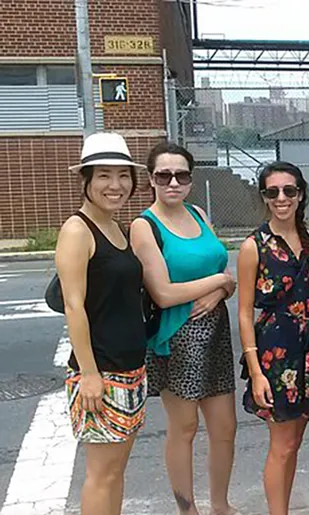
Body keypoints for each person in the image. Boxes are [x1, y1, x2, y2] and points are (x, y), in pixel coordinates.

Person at [130, 142, 238, 515]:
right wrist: (219, 283)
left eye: (181, 175)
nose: (173, 182)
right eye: (164, 175)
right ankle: (186, 509)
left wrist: (223, 286)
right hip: (176, 338)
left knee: (225, 427)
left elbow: (225, 274)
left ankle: (220, 506)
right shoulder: (144, 226)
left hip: (215, 333)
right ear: (151, 180)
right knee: (185, 427)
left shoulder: (198, 213)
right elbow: (162, 293)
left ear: (191, 179)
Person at [56, 132, 148, 515]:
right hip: (101, 374)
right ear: (87, 181)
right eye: (104, 176)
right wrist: (90, 375)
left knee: (116, 470)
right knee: (101, 473)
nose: (116, 185)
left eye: (123, 175)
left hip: (130, 370)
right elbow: (74, 307)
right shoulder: (77, 230)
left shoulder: (116, 227)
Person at [236, 161, 309, 515]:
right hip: (274, 356)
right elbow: (245, 312)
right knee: (280, 444)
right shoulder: (254, 247)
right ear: (263, 196)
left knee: (294, 442)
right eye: (272, 191)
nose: (281, 198)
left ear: (301, 194)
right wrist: (256, 370)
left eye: (289, 190)